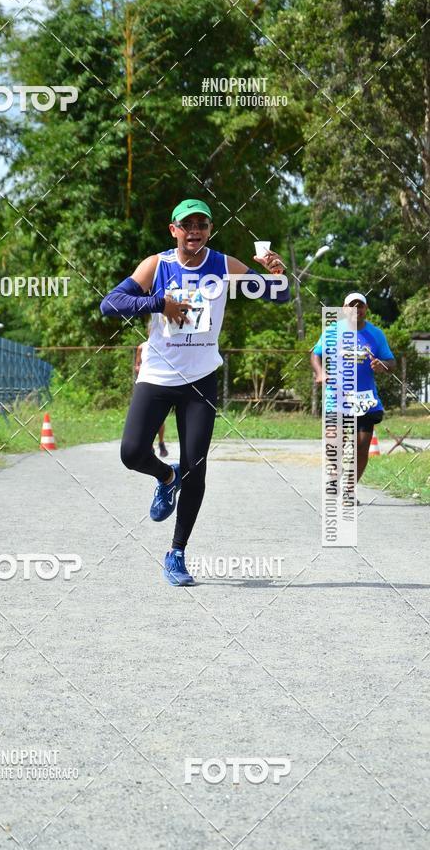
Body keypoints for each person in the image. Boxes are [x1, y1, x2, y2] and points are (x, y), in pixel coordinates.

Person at [100, 198, 288, 586]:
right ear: (174, 230)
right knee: (132, 453)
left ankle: (177, 553)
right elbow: (110, 304)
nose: (194, 231)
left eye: (202, 224)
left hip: (200, 379)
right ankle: (166, 478)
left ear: (209, 230)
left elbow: (279, 296)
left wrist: (277, 275)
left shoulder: (223, 264)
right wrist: (160, 304)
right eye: (187, 225)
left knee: (196, 468)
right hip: (157, 376)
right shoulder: (157, 265)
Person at [310, 292, 395, 488]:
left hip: (364, 399)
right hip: (337, 397)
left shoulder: (376, 334)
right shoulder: (332, 331)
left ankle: (349, 489)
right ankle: (334, 474)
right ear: (344, 308)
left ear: (366, 309)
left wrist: (383, 365)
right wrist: (320, 373)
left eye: (360, 306)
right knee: (335, 444)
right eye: (352, 305)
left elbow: (391, 362)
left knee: (361, 447)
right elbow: (315, 354)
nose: (356, 310)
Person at [135, 329, 168, 457]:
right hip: (146, 384)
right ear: (148, 332)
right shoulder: (142, 347)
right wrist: (141, 369)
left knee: (160, 419)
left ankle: (161, 442)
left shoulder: (165, 345)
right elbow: (137, 365)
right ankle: (149, 445)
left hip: (161, 384)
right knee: (146, 418)